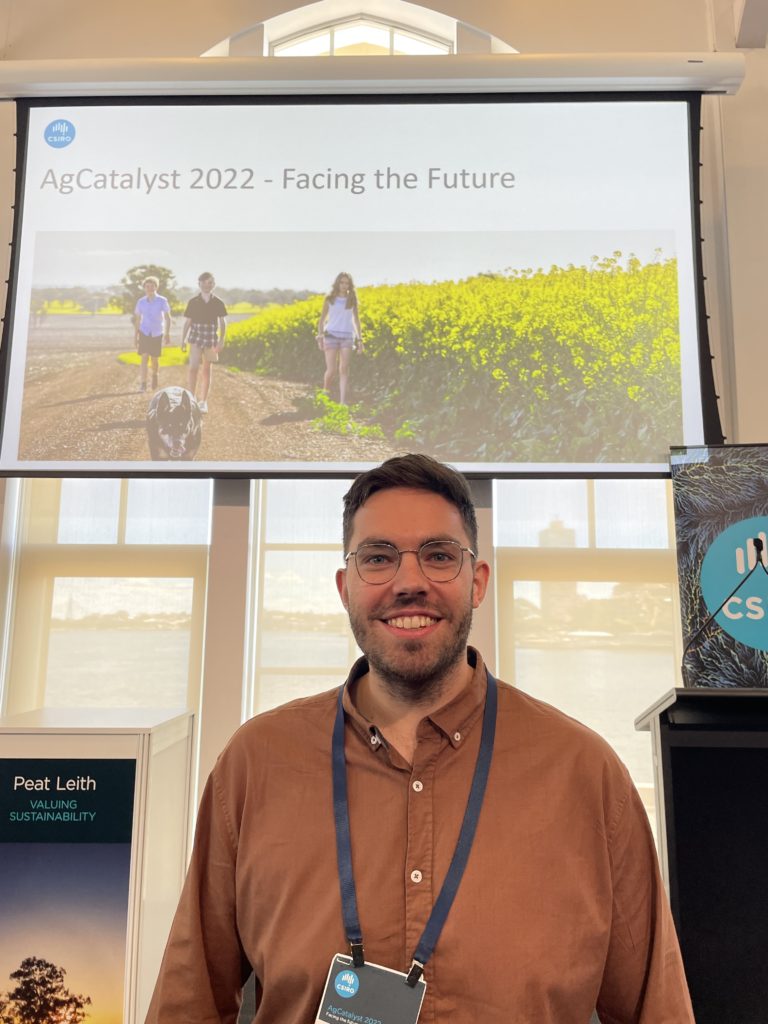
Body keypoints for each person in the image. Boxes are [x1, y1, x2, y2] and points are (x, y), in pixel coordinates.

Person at [146, 454, 694, 1024]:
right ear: (345, 587)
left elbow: (658, 1009)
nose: (409, 583)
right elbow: (188, 1003)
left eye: (438, 556)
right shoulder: (254, 766)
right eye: (378, 558)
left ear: (477, 582)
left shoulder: (586, 775)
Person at [181, 272, 227, 414]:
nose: (207, 285)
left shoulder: (218, 302)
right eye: (204, 283)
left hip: (211, 337)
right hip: (195, 337)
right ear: (199, 284)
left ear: (213, 284)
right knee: (193, 367)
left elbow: (223, 322)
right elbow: (188, 322)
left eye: (210, 283)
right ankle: (191, 398)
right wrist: (183, 339)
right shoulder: (193, 302)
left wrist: (221, 340)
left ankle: (203, 401)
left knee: (207, 370)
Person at [316, 271, 363, 405]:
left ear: (350, 285)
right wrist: (320, 335)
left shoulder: (352, 300)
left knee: (344, 369)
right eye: (341, 282)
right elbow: (322, 320)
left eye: (346, 283)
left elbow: (357, 321)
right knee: (332, 370)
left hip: (347, 337)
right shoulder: (329, 299)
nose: (344, 285)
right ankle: (325, 392)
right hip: (331, 336)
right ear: (337, 283)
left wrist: (360, 340)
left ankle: (342, 402)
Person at [133, 276, 171, 393]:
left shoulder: (162, 300)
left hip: (157, 333)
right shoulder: (141, 302)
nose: (149, 288)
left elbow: (167, 317)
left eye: (152, 286)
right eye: (147, 286)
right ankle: (143, 383)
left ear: (156, 287)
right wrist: (135, 336)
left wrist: (167, 333)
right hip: (144, 332)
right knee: (144, 357)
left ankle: (155, 374)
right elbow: (138, 319)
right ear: (144, 288)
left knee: (154, 359)